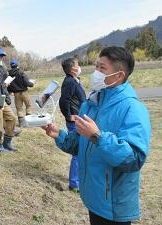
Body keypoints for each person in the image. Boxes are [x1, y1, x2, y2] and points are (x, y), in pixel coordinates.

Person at [43, 47, 151, 225]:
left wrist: (98, 137)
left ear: (119, 75)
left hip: (113, 205)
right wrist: (58, 135)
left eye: (102, 68)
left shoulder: (133, 109)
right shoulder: (91, 103)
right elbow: (78, 145)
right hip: (93, 196)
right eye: (96, 67)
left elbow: (134, 159)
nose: (96, 73)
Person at [59, 58, 86, 192]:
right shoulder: (69, 81)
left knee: (80, 150)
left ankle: (77, 179)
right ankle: (74, 184)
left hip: (80, 119)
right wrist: (69, 116)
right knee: (77, 151)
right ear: (72, 69)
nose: (79, 66)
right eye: (77, 65)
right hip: (74, 121)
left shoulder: (75, 80)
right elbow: (64, 101)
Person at [0, 48, 18, 151]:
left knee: (12, 117)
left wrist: (7, 97)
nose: (0, 59)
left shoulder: (2, 69)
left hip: (2, 98)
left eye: (1, 57)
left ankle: (7, 142)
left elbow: (3, 85)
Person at [8, 59, 34, 127]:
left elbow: (8, 85)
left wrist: (10, 91)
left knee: (19, 109)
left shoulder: (9, 75)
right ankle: (29, 122)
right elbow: (27, 83)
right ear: (17, 65)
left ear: (11, 66)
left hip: (16, 94)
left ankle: (22, 124)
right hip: (24, 92)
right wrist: (32, 84)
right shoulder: (21, 72)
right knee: (28, 106)